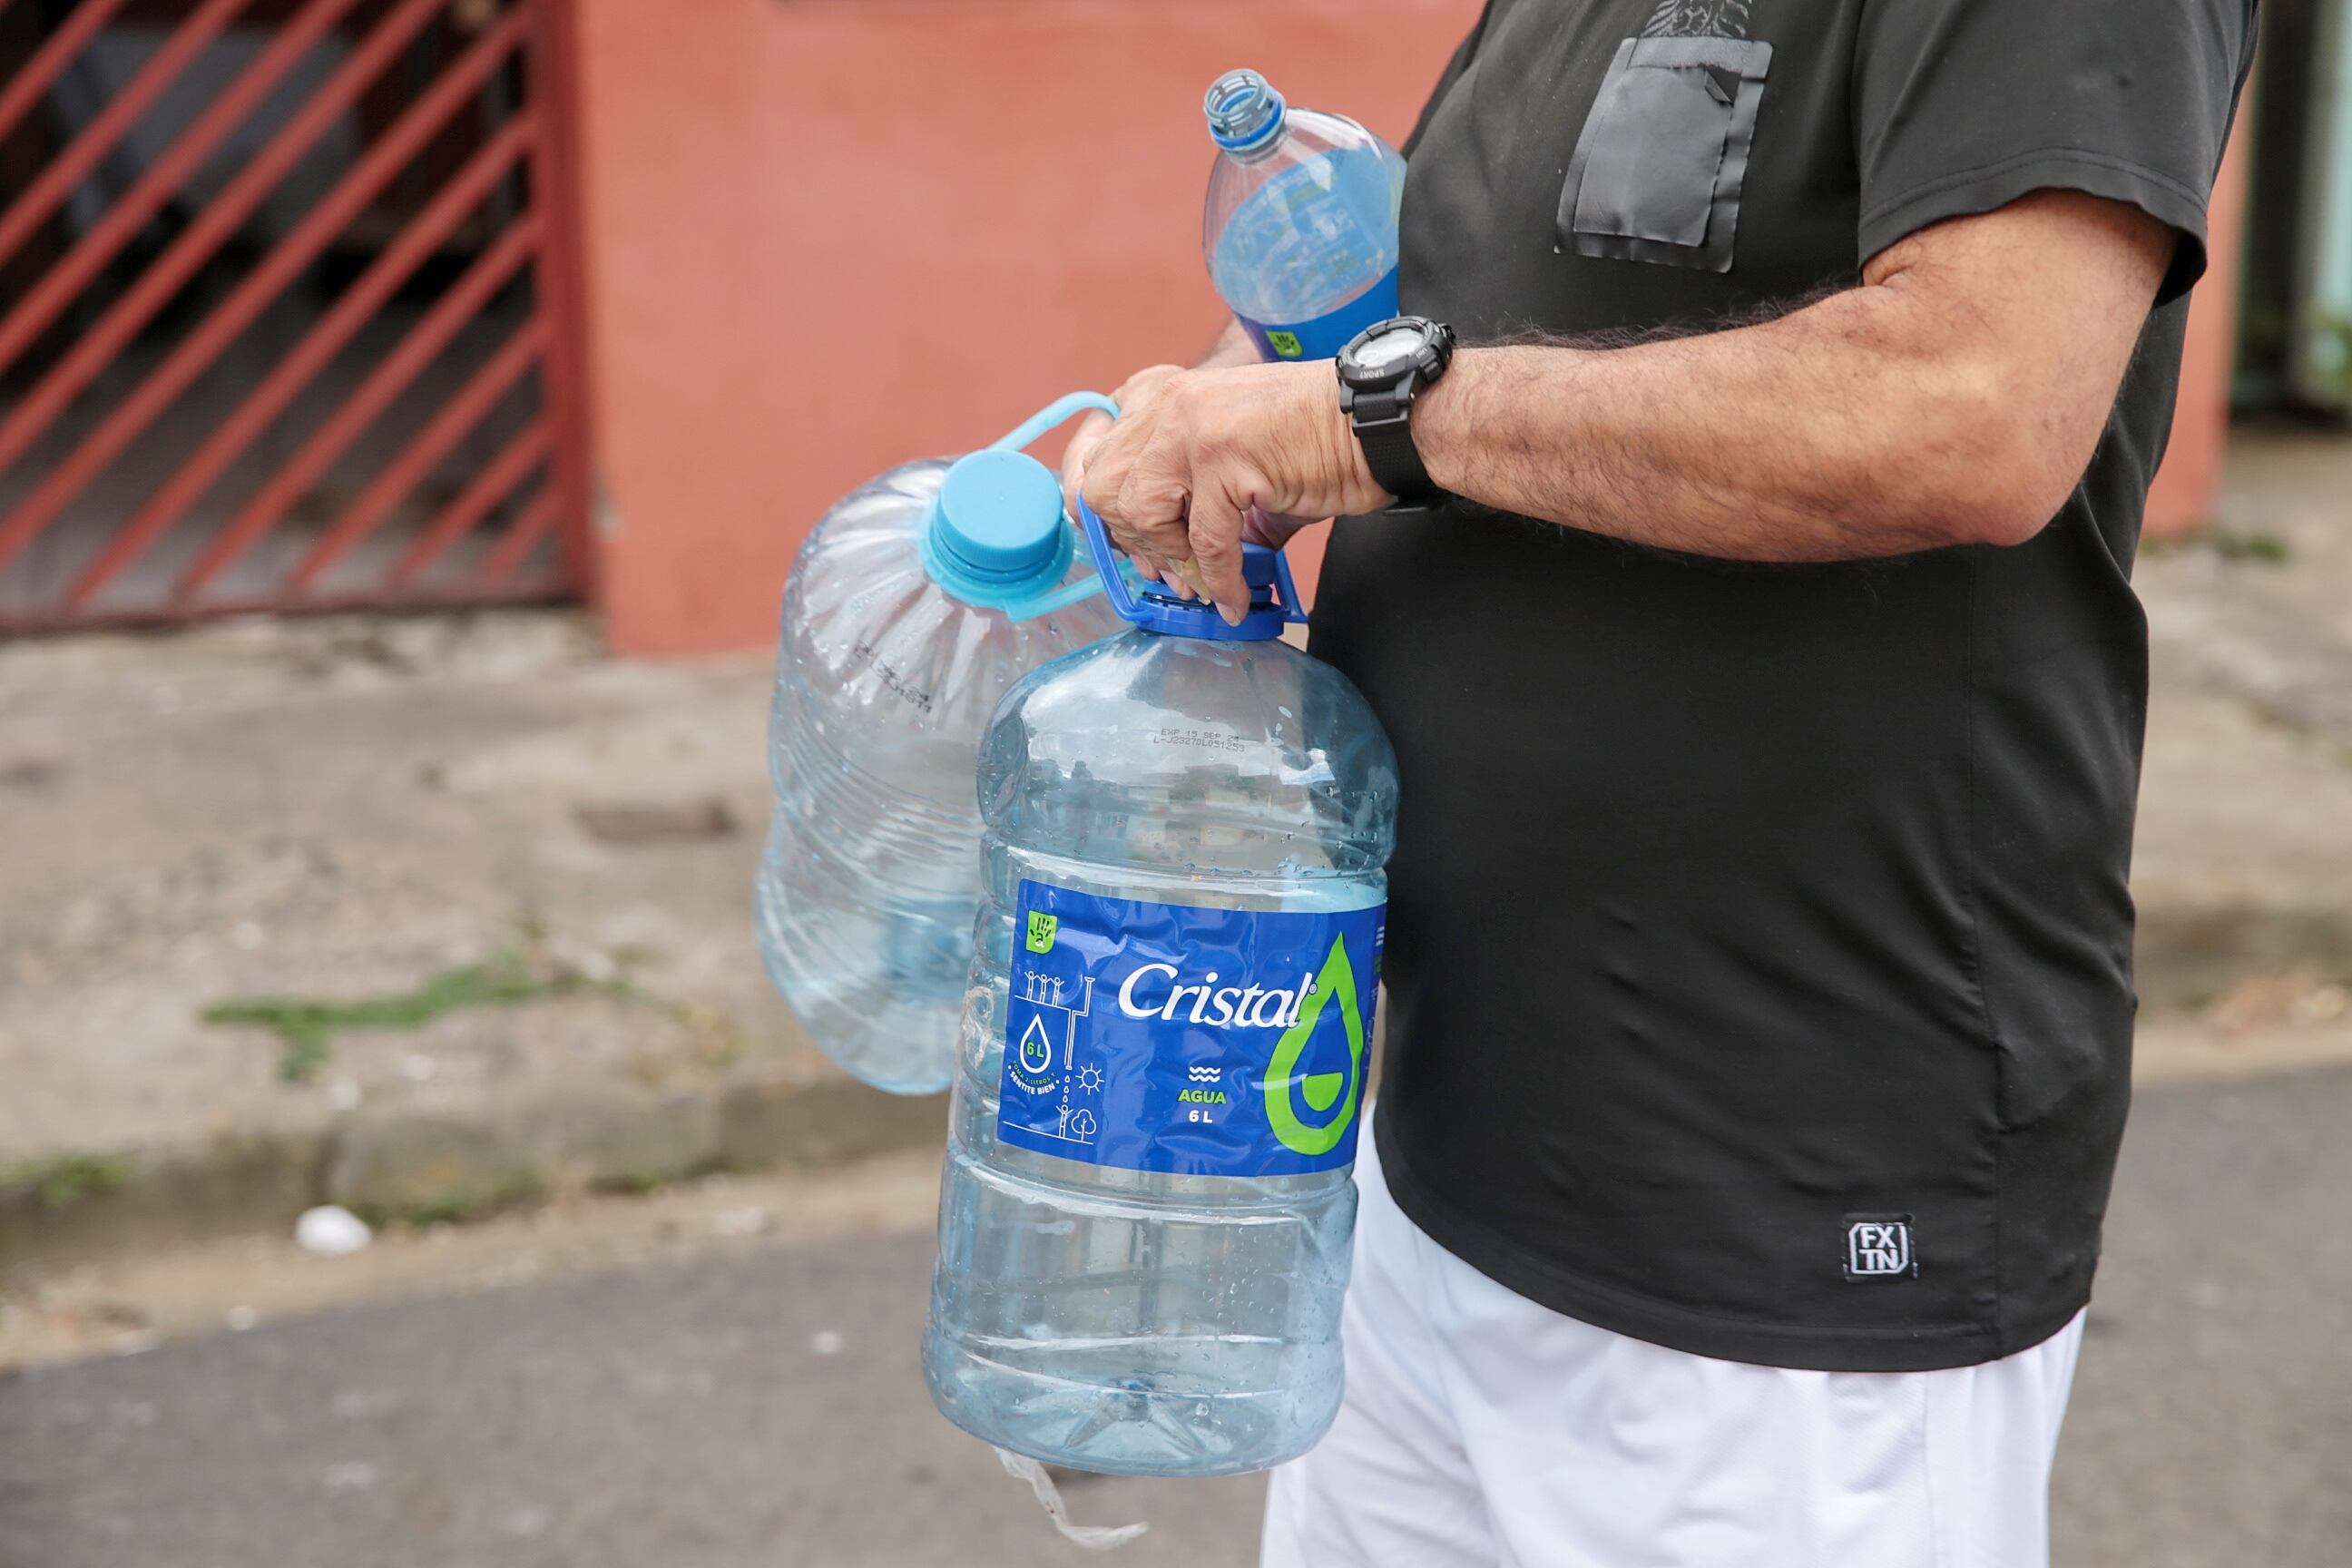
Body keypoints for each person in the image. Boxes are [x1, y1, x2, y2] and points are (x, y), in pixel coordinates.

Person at [1061, 1, 2259, 1563]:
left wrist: (1360, 423)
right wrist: (1217, 416)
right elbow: (1465, 290)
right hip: (1429, 1157)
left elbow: (1973, 404)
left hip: (1781, 1220)